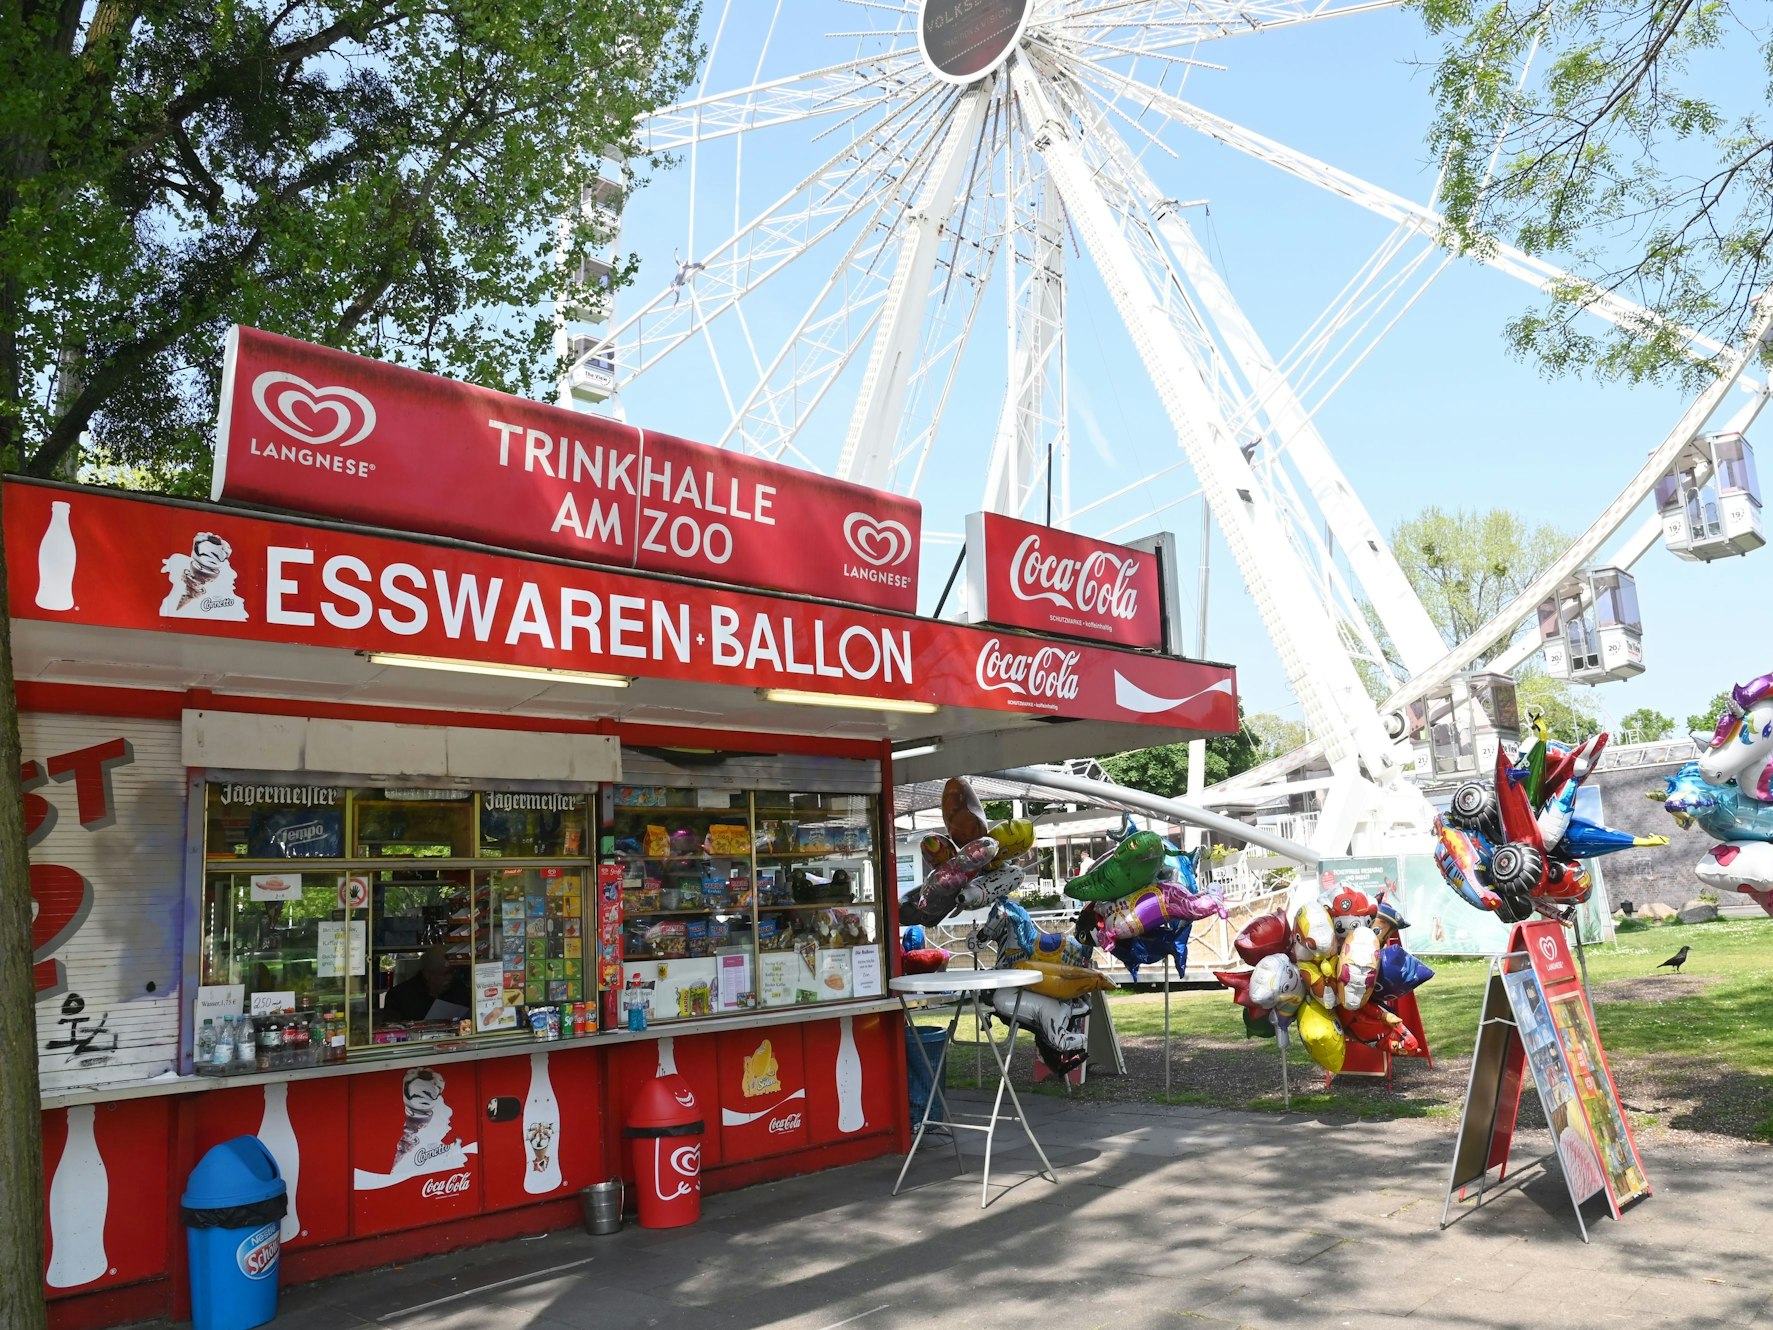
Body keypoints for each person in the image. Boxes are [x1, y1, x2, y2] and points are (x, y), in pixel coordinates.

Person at [382, 947, 470, 1022]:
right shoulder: (399, 996)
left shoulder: (459, 990)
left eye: (452, 972)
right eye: (445, 974)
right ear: (427, 974)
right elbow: (391, 1029)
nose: (450, 978)